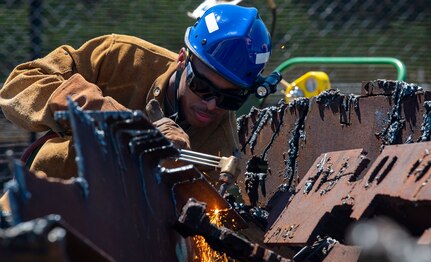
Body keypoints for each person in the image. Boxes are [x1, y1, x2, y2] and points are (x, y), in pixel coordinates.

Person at [0, 4, 272, 183]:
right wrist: (116, 120)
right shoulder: (119, 57)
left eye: (230, 99)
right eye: (203, 87)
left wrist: (170, 172)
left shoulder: (219, 149)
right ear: (182, 59)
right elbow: (18, 85)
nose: (212, 105)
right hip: (38, 208)